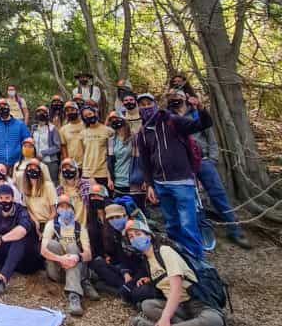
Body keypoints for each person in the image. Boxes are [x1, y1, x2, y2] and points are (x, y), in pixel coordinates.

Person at [126, 217, 229, 326]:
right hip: (178, 307)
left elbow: (176, 288)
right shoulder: (148, 261)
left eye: (138, 234)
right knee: (147, 305)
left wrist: (164, 319)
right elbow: (164, 280)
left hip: (197, 302)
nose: (135, 239)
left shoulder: (165, 251)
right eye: (131, 237)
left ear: (149, 236)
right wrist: (150, 279)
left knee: (214, 320)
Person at [136, 91, 213, 258]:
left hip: (182, 182)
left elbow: (203, 124)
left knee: (188, 225)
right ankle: (179, 257)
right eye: (142, 105)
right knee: (171, 224)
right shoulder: (142, 133)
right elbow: (145, 162)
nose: (146, 107)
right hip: (161, 184)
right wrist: (149, 185)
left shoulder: (172, 121)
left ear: (155, 104)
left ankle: (197, 260)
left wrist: (199, 107)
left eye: (148, 103)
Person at [176, 92, 251, 249]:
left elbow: (210, 136)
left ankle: (234, 230)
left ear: (185, 98)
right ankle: (201, 231)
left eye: (180, 96)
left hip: (203, 161)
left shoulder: (196, 113)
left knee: (218, 194)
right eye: (173, 97)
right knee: (192, 198)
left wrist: (212, 159)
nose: (177, 99)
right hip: (183, 163)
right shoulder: (169, 117)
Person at [41, 192, 94, 317]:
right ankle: (83, 280)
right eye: (61, 207)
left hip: (74, 266)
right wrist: (61, 259)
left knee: (73, 247)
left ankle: (74, 295)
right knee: (51, 244)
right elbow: (42, 250)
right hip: (57, 269)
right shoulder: (51, 225)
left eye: (68, 207)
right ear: (57, 209)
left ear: (73, 209)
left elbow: (89, 254)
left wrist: (77, 257)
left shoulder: (80, 228)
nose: (65, 210)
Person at [89, 202, 148, 303]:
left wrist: (132, 280)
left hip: (143, 271)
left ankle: (119, 290)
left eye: (117, 217)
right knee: (97, 263)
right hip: (128, 269)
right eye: (111, 219)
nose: (114, 221)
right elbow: (122, 256)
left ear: (125, 216)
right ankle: (123, 288)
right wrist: (125, 272)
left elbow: (146, 261)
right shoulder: (116, 232)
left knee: (138, 292)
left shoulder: (136, 230)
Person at [0, 99, 32, 171]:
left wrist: (25, 161)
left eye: (4, 105)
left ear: (9, 107)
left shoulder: (20, 124)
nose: (2, 107)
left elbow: (28, 143)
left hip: (17, 164)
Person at [18, 157, 58, 230]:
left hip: (48, 222)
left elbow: (54, 211)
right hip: (32, 222)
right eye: (30, 167)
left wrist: (47, 227)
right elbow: (28, 209)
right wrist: (36, 223)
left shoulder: (48, 186)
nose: (32, 169)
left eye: (35, 167)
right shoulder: (24, 186)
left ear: (40, 170)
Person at [31, 105, 61, 183]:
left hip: (50, 162)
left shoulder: (52, 128)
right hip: (36, 161)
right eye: (39, 112)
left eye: (43, 112)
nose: (41, 114)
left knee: (51, 183)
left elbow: (57, 147)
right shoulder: (33, 128)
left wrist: (43, 153)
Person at [59, 101, 84, 167]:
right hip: (72, 165)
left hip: (87, 164)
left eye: (72, 110)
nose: (70, 112)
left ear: (78, 111)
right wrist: (67, 162)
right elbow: (63, 147)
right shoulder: (63, 129)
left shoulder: (86, 125)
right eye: (67, 111)